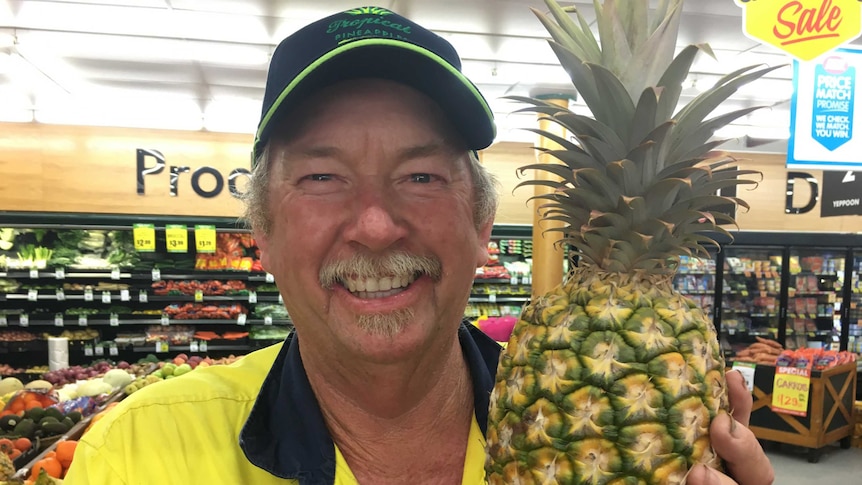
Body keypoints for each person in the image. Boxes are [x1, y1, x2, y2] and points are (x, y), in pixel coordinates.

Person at [64, 6, 774, 485]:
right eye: (322, 176)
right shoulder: (137, 454)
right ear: (265, 237)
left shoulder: (584, 390)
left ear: (481, 225)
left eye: (421, 174)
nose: (376, 224)